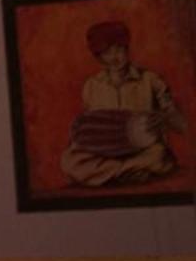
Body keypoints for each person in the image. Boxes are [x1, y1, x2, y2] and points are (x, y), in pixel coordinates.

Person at [60, 22, 187, 188]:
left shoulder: (150, 79)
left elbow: (181, 125)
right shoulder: (91, 86)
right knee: (68, 161)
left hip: (142, 150)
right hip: (105, 152)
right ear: (98, 56)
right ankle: (128, 173)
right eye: (107, 52)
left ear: (127, 49)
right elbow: (91, 126)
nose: (114, 57)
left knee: (159, 154)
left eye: (119, 49)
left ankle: (108, 174)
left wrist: (165, 118)